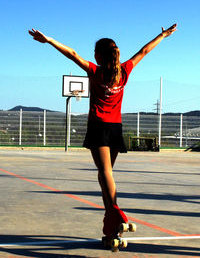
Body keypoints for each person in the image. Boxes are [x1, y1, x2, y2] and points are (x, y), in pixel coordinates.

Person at [29, 24, 177, 239]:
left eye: (95, 51)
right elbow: (144, 51)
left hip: (99, 126)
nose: (93, 54)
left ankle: (115, 212)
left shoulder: (95, 71)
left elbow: (72, 54)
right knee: (104, 174)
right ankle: (110, 224)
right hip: (115, 127)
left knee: (105, 172)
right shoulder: (124, 70)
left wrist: (50, 40)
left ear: (99, 55)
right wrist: (163, 35)